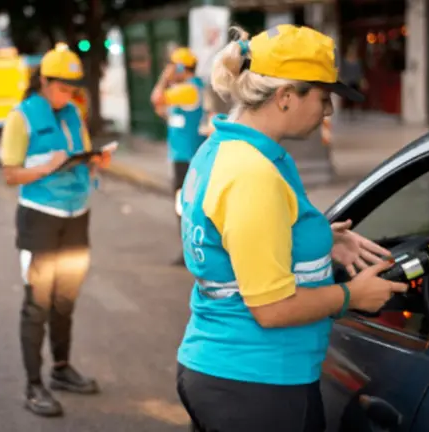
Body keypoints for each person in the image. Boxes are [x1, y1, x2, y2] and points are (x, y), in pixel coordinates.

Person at [174, 25, 408, 432]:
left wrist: (321, 239)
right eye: (323, 97)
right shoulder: (252, 174)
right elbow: (272, 308)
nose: (329, 111)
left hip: (229, 375)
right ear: (285, 97)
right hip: (257, 385)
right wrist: (352, 295)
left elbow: (235, 241)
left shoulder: (227, 150)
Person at [0, 42, 110, 418]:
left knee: (66, 300)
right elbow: (11, 174)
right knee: (38, 305)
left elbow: (84, 156)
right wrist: (48, 166)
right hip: (40, 219)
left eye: (73, 88)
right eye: (62, 88)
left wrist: (95, 161)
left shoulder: (74, 113)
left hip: (77, 216)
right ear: (44, 81)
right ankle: (34, 385)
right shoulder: (22, 117)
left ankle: (61, 369)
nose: (69, 95)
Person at [150, 47, 205, 266]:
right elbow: (162, 110)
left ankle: (191, 253)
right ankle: (189, 251)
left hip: (187, 159)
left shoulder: (189, 90)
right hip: (183, 157)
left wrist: (165, 78)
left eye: (172, 65)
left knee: (186, 206)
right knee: (185, 205)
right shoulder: (184, 90)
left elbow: (156, 98)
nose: (169, 69)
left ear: (181, 67)